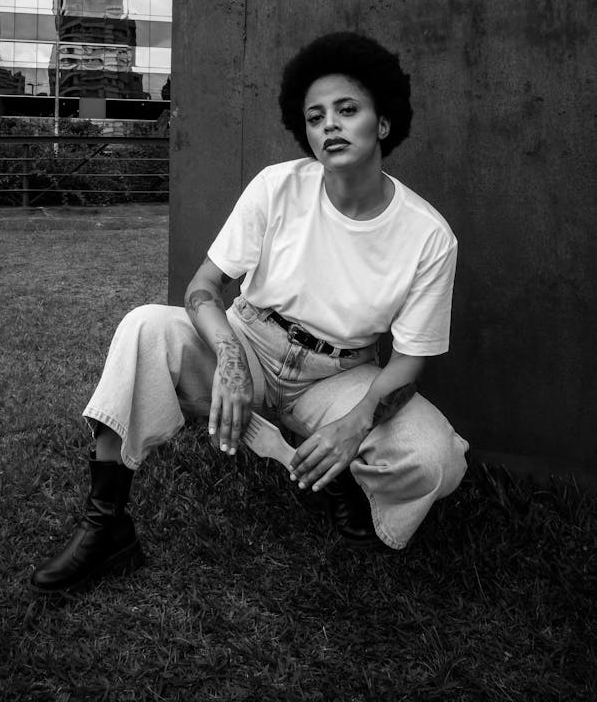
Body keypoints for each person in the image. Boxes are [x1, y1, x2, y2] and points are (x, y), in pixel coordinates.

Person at [31, 31, 468, 592]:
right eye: (315, 117)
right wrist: (232, 354)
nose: (329, 125)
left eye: (347, 110)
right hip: (249, 337)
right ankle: (107, 525)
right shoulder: (277, 187)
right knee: (144, 327)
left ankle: (336, 475)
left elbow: (408, 363)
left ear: (382, 123)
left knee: (434, 459)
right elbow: (204, 287)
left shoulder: (428, 237)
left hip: (341, 374)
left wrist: (351, 426)